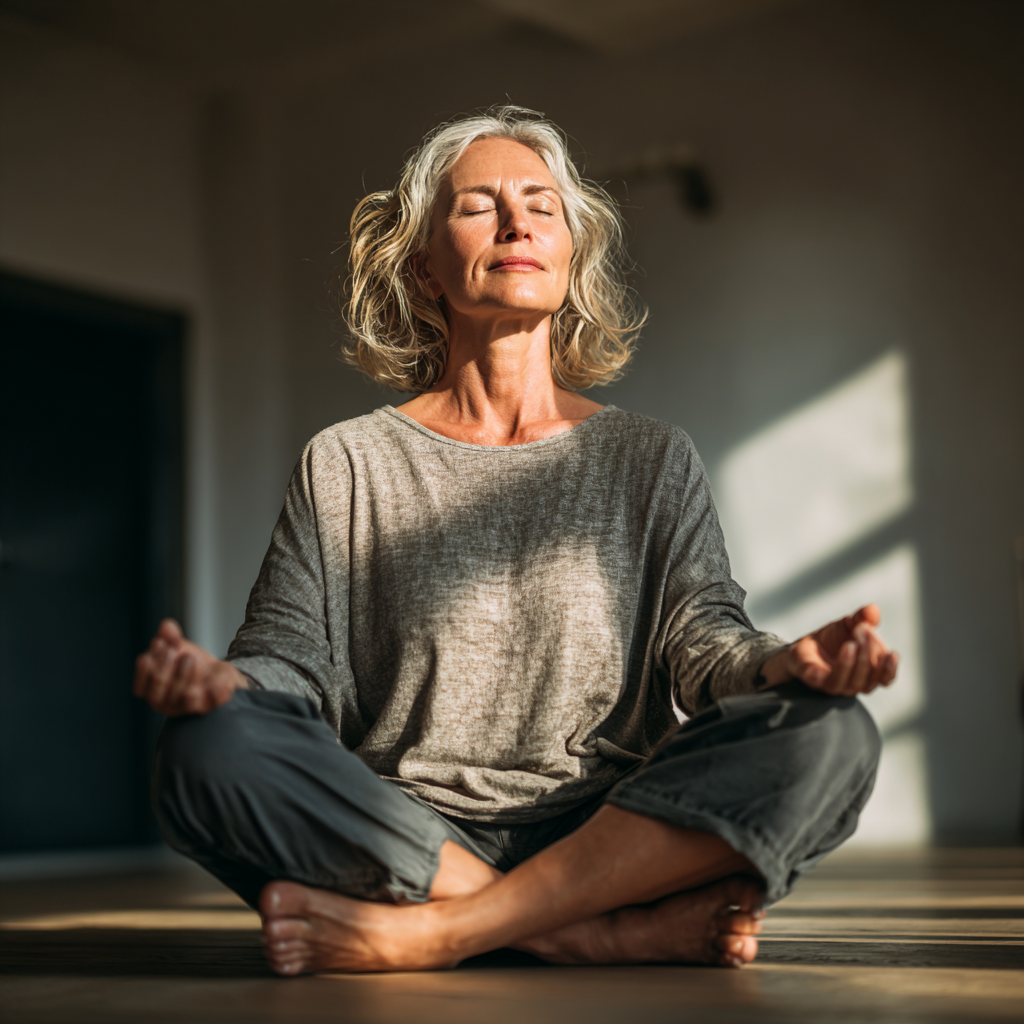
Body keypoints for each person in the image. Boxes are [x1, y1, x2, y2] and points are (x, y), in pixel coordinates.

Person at [135, 106, 897, 976]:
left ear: (571, 255)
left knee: (833, 735)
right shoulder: (348, 461)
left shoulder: (651, 457)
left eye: (542, 204)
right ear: (424, 267)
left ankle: (438, 934)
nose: (517, 222)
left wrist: (784, 665)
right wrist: (225, 685)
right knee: (203, 748)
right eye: (478, 206)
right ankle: (591, 936)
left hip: (611, 824)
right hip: (407, 826)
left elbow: (704, 643)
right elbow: (289, 661)